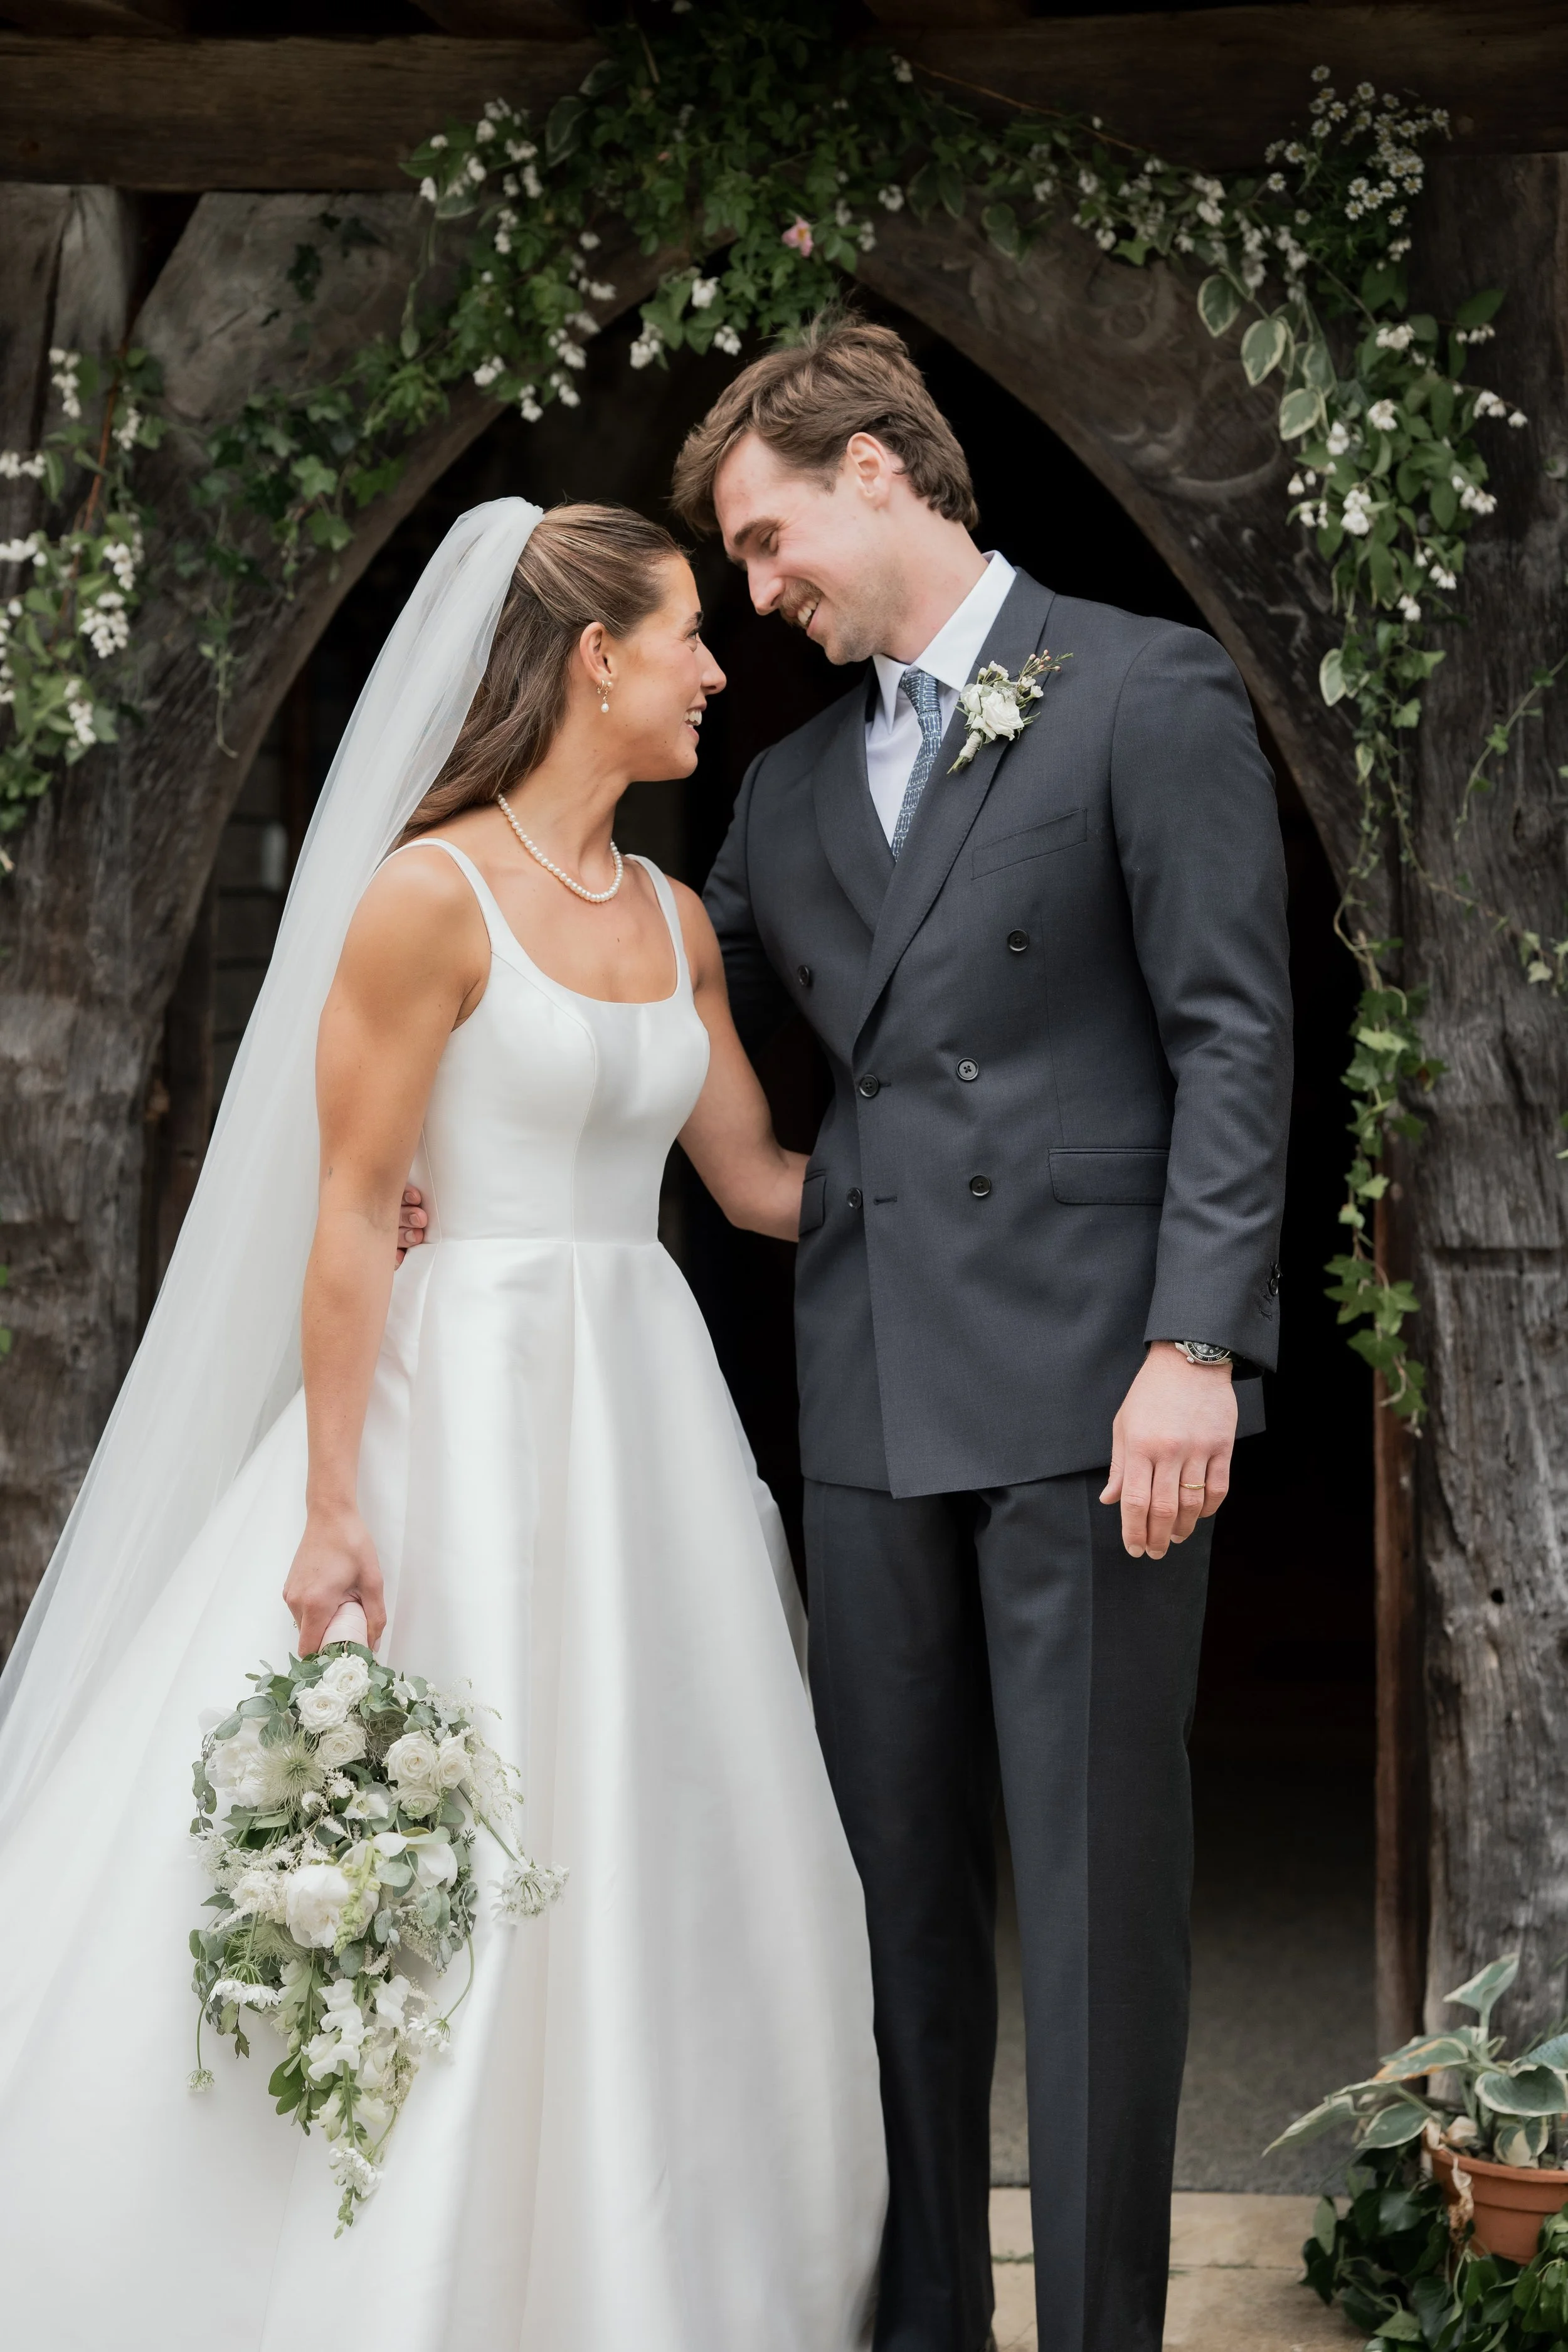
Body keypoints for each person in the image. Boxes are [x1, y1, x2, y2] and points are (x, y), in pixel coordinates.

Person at [0, 500, 886, 2349]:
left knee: (661, 1818)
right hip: (450, 1411)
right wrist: (332, 1504)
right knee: (444, 1840)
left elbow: (749, 1182)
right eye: (686, 636)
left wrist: (1008, 1176)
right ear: (591, 660)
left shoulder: (668, 910)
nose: (720, 670)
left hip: (639, 1418)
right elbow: (347, 1208)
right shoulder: (425, 897)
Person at [670, 317, 1293, 2352]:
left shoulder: (1140, 687)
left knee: (1098, 1899)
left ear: (877, 470)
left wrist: (1193, 1342)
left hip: (1095, 1397)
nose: (761, 593)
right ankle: (925, 2317)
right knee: (890, 1906)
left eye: (769, 541)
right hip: (862, 1401)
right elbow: (657, 1017)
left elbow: (1229, 1035)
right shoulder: (768, 797)